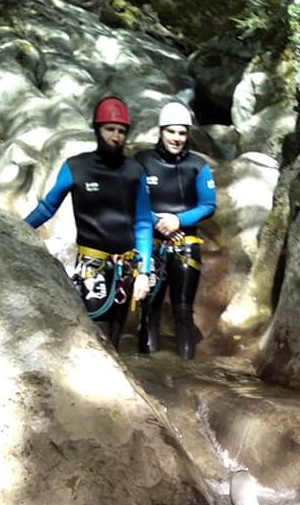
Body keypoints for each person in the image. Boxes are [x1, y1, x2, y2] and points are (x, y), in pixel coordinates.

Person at [24, 96, 153, 351]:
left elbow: (143, 222)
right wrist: (16, 228)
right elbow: (48, 207)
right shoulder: (77, 167)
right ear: (97, 130)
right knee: (100, 336)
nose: (116, 136)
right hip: (92, 267)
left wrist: (144, 272)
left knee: (115, 336)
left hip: (126, 266)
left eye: (121, 131)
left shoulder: (134, 170)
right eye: (110, 129)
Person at [133, 101, 217, 359]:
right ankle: (147, 372)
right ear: (161, 131)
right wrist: (158, 219)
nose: (177, 138)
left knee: (183, 311)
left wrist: (178, 220)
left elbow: (208, 205)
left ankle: (186, 371)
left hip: (185, 244)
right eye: (171, 132)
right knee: (148, 310)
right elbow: (129, 197)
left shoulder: (197, 166)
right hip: (151, 244)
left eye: (182, 133)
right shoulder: (142, 161)